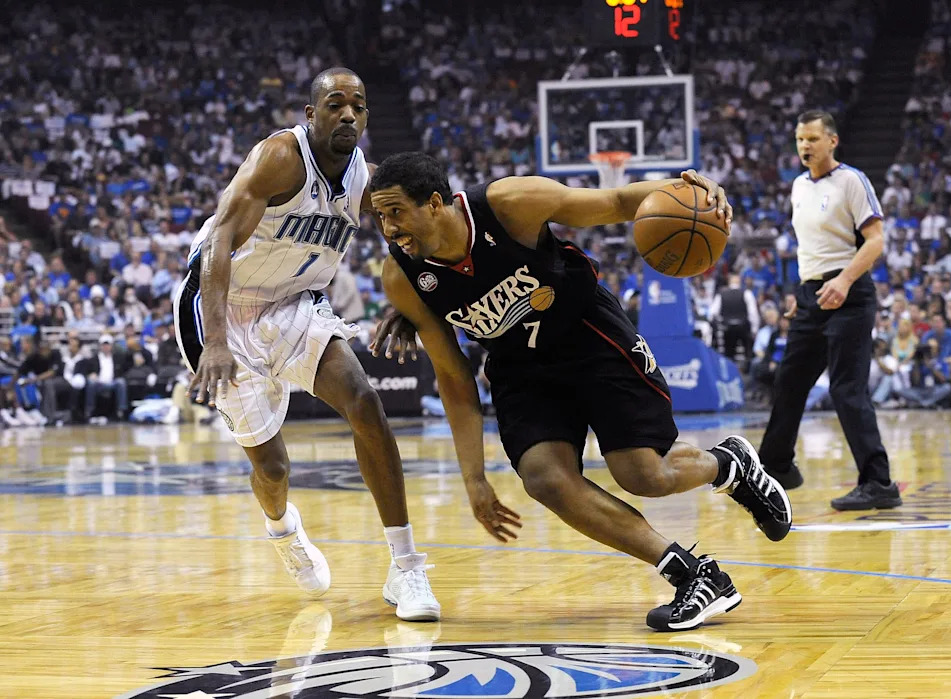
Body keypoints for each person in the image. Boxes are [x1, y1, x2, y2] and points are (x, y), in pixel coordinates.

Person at [367, 151, 791, 632]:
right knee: (544, 478)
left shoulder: (509, 203)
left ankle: (729, 464)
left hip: (588, 334)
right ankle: (694, 575)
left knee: (644, 476)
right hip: (520, 368)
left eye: (396, 212)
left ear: (436, 203)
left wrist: (690, 191)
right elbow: (453, 376)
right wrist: (474, 478)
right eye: (379, 216)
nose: (387, 228)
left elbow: (614, 200)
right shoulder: (402, 275)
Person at [176, 68, 440, 621]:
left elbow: (406, 237)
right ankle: (282, 529)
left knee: (365, 402)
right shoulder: (280, 157)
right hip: (225, 304)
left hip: (296, 302)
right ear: (311, 113)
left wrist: (414, 298)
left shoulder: (365, 178)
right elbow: (219, 239)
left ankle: (406, 567)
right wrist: (217, 341)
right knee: (271, 469)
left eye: (359, 106)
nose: (348, 114)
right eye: (336, 104)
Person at [757, 110, 901, 510]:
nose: (805, 146)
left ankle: (880, 483)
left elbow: (875, 241)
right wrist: (800, 290)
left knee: (846, 387)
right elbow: (810, 248)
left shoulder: (851, 180)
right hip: (811, 296)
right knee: (789, 381)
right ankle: (775, 467)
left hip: (850, 294)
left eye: (813, 139)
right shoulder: (798, 187)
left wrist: (843, 281)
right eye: (800, 139)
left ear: (832, 141)